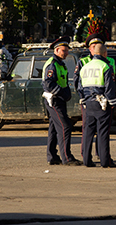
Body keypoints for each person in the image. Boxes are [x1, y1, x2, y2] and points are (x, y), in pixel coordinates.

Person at [73, 33, 116, 161]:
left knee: (89, 130)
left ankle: (88, 160)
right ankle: (104, 160)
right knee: (102, 132)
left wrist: (83, 98)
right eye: (93, 45)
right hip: (102, 102)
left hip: (88, 102)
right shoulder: (102, 65)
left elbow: (79, 85)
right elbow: (110, 86)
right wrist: (112, 101)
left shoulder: (87, 66)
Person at [42, 36, 82, 166]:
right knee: (65, 126)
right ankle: (67, 157)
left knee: (54, 128)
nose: (67, 53)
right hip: (54, 100)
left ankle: (52, 156)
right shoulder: (52, 64)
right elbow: (49, 84)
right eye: (64, 50)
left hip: (58, 100)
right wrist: (62, 92)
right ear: (57, 50)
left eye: (67, 50)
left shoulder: (59, 63)